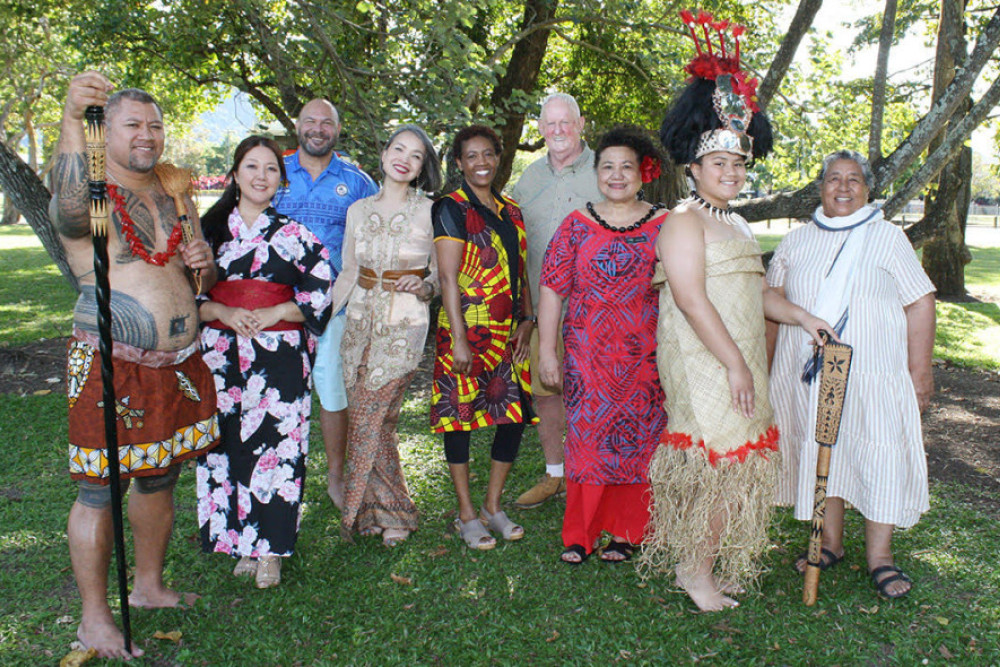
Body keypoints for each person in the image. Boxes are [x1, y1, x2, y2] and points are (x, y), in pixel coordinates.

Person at [645, 14, 834, 612]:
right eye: (718, 164)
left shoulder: (737, 223)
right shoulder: (681, 222)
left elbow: (756, 293)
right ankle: (694, 571)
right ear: (693, 167)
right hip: (704, 357)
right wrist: (734, 365)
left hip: (739, 355)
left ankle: (695, 563)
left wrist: (803, 318)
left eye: (737, 164)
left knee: (732, 464)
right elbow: (693, 299)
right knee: (713, 463)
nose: (730, 173)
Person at [51, 72, 219, 659]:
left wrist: (205, 260)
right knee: (99, 491)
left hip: (176, 362)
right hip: (111, 361)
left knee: (159, 475)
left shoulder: (174, 193)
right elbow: (72, 212)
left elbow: (202, 279)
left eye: (154, 125)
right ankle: (95, 619)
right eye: (132, 124)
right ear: (106, 132)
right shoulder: (97, 193)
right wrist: (74, 116)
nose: (147, 134)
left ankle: (147, 587)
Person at [768, 150, 936, 599]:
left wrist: (919, 372)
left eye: (854, 180)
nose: (843, 188)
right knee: (826, 450)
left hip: (874, 373)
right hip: (810, 376)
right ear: (820, 187)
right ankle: (831, 542)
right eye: (834, 179)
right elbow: (770, 300)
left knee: (876, 450)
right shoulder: (796, 241)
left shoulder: (887, 238)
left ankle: (880, 558)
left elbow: (919, 301)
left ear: (867, 189)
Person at [196, 136, 333, 589]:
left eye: (271, 169)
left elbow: (320, 294)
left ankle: (271, 548)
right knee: (227, 445)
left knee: (277, 446)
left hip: (279, 357)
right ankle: (239, 540)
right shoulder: (207, 233)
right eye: (251, 167)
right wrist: (224, 312)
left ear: (281, 179)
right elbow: (187, 298)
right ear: (234, 174)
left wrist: (276, 311)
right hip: (222, 354)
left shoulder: (295, 236)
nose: (260, 176)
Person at [537, 125, 669, 564]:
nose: (616, 175)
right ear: (596, 174)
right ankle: (581, 533)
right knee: (589, 442)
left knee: (639, 442)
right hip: (587, 358)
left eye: (626, 167)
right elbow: (553, 288)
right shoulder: (576, 226)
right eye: (607, 167)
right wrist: (547, 351)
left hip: (646, 360)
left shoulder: (666, 225)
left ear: (642, 173)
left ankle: (630, 532)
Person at [333, 125, 441, 546]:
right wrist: (319, 317)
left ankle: (388, 511)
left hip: (404, 324)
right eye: (399, 149)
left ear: (421, 168)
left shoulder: (431, 210)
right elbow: (347, 269)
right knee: (377, 422)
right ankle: (379, 513)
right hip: (358, 325)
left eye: (416, 155)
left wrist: (427, 287)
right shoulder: (357, 209)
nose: (405, 159)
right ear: (384, 153)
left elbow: (441, 270)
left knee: (371, 417)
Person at [431, 124, 537, 550]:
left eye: (488, 154)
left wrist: (527, 320)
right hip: (466, 330)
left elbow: (520, 268)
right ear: (458, 163)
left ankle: (493, 505)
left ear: (499, 158)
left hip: (509, 333)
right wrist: (458, 338)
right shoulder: (450, 208)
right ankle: (466, 513)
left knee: (512, 416)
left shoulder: (512, 209)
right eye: (471, 156)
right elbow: (447, 277)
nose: (481, 163)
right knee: (460, 418)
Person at [272, 98, 378, 508]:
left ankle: (336, 476)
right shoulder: (274, 171)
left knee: (333, 393)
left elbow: (378, 231)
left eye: (327, 123)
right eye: (310, 121)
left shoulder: (355, 180)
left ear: (338, 129)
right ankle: (280, 474)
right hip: (275, 308)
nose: (318, 129)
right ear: (298, 125)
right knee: (277, 396)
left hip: (334, 307)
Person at [511, 93, 602, 509]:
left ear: (581, 124)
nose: (559, 130)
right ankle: (554, 476)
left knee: (595, 393)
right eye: (550, 124)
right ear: (542, 128)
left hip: (596, 313)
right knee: (547, 393)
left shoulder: (607, 171)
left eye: (566, 122)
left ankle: (595, 475)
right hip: (541, 312)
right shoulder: (528, 180)